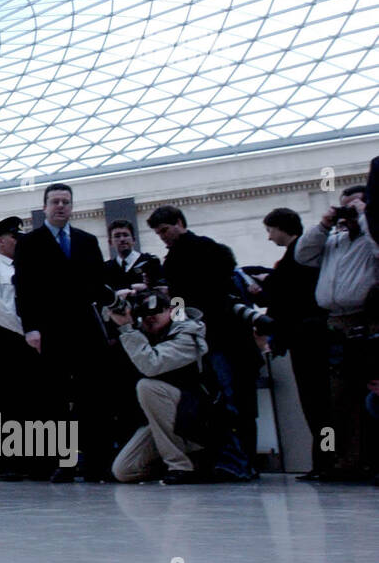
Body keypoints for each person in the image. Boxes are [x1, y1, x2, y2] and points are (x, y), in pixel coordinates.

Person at [13, 183, 116, 481]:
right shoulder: (30, 243)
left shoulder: (87, 241)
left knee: (94, 396)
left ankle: (97, 462)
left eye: (66, 202)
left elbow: (98, 285)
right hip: (50, 329)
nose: (61, 206)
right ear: (44, 207)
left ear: (72, 207)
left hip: (85, 326)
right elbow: (25, 289)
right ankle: (65, 462)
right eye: (55, 201)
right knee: (55, 398)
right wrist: (30, 327)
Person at [146, 204, 257, 478]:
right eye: (159, 233)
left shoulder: (180, 260)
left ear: (179, 223)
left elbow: (186, 303)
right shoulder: (211, 251)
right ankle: (243, 462)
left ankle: (237, 462)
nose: (164, 237)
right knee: (235, 403)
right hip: (223, 338)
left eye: (165, 230)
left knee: (228, 402)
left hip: (215, 340)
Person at [294, 186, 379, 480]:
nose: (349, 213)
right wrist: (325, 223)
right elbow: (302, 255)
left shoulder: (371, 237)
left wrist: (366, 215)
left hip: (367, 320)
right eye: (344, 206)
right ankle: (347, 461)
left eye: (355, 206)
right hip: (335, 323)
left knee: (370, 394)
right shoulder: (336, 239)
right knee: (340, 399)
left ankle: (371, 461)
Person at [246, 208, 334, 480]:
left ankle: (326, 462)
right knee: (318, 403)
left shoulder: (296, 257)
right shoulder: (298, 258)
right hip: (308, 336)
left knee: (316, 404)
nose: (270, 238)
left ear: (282, 228)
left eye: (271, 231)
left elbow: (287, 297)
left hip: (305, 338)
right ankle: (326, 460)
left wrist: (264, 291)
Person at [108, 290, 211, 484]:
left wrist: (128, 331)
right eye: (144, 314)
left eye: (156, 312)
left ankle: (182, 466)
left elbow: (151, 364)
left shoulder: (188, 334)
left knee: (148, 386)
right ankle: (187, 466)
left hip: (197, 417)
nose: (149, 318)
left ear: (172, 310)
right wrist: (115, 315)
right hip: (164, 420)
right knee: (124, 471)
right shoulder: (142, 334)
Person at [0, 216, 38, 479]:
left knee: (33, 401)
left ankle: (35, 460)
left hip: (33, 340)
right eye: (15, 236)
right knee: (7, 402)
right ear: (1, 241)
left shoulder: (29, 268)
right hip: (9, 339)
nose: (19, 240)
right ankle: (7, 463)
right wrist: (25, 330)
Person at [103, 220, 163, 291]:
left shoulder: (150, 262)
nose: (122, 239)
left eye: (125, 235)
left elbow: (162, 289)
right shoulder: (106, 269)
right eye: (117, 236)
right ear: (110, 242)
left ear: (134, 239)